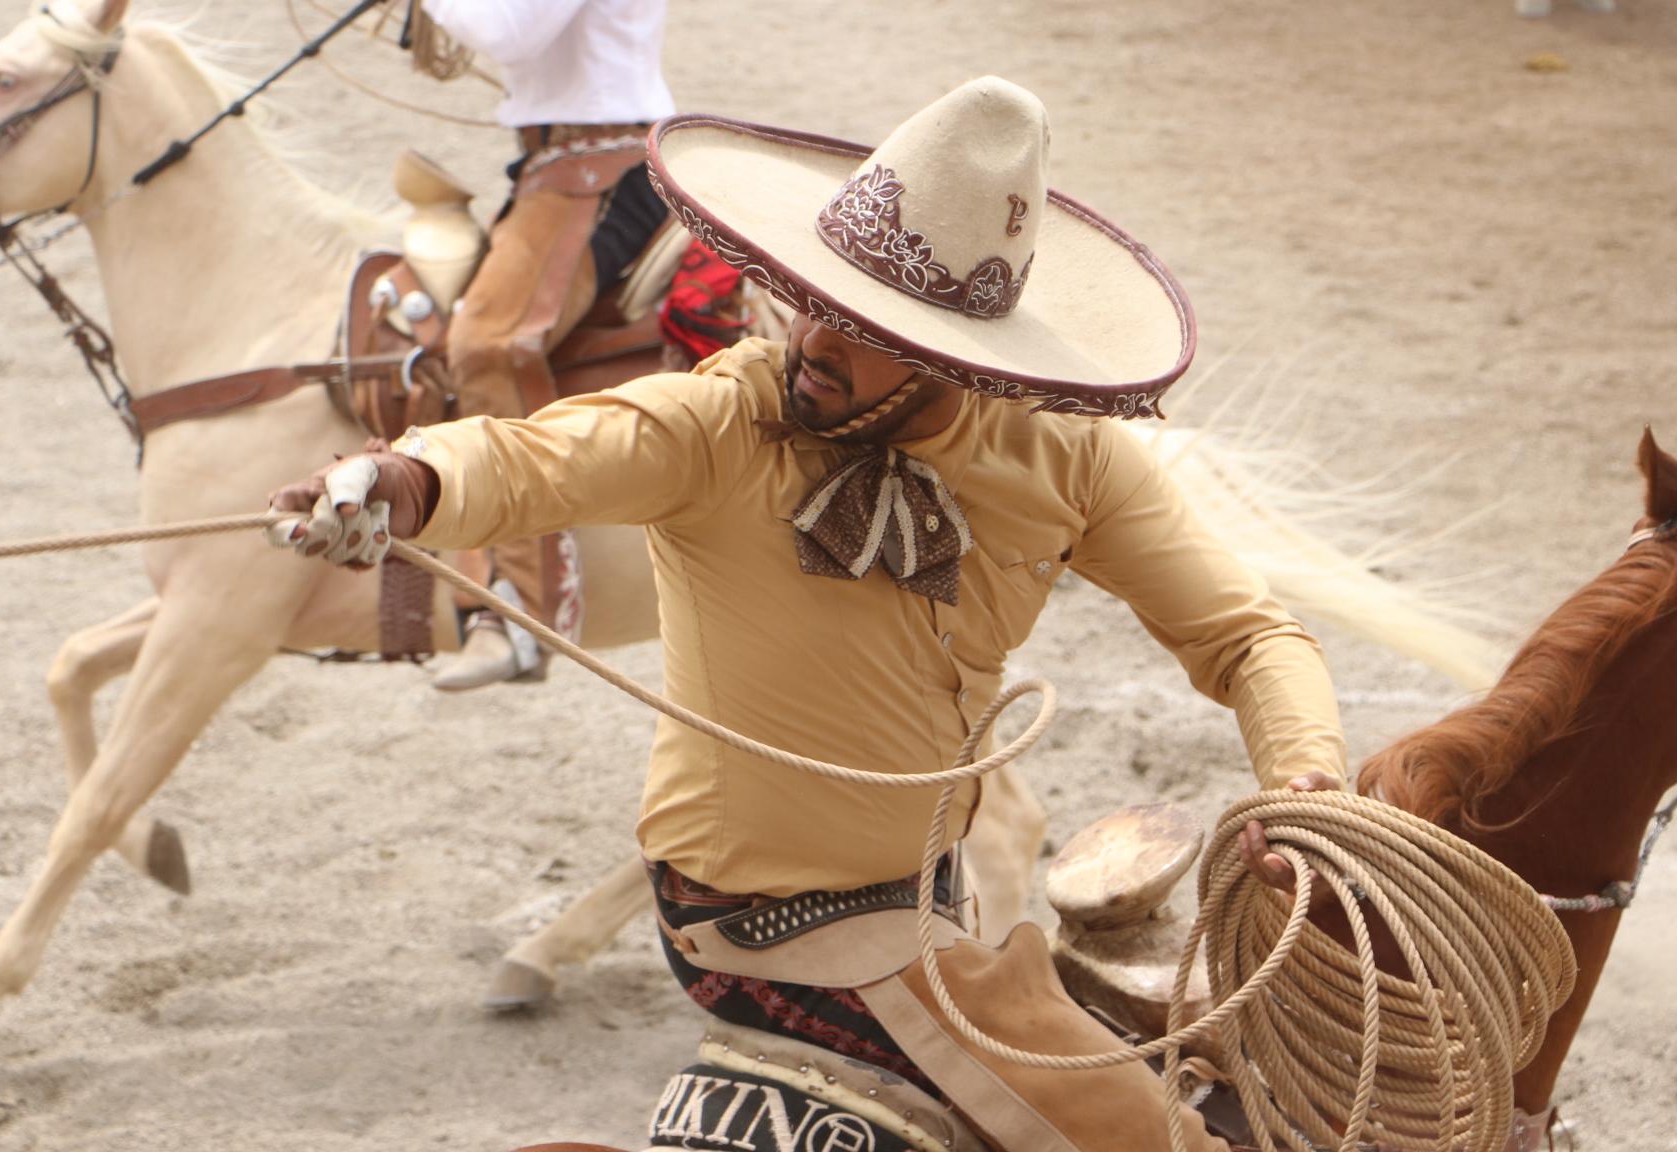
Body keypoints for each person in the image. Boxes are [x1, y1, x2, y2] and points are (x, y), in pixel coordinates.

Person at [268, 77, 1345, 1150]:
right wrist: (402, 477)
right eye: (813, 295)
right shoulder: (726, 420)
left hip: (928, 901)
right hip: (776, 929)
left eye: (861, 322)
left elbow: (1248, 634)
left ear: (951, 359)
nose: (811, 336)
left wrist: (1308, 784)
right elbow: (531, 454)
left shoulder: (1063, 456)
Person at [316, 0, 677, 689]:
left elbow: (512, 27)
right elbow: (522, 11)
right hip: (556, 163)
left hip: (595, 170)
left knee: (483, 343)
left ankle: (519, 605)